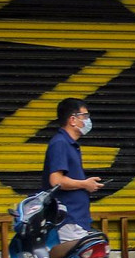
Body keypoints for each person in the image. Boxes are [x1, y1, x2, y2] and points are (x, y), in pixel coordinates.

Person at [43, 97, 102, 239]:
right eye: (85, 116)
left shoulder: (69, 144)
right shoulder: (60, 143)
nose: (88, 120)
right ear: (73, 120)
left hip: (76, 220)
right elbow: (56, 181)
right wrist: (84, 184)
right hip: (68, 221)